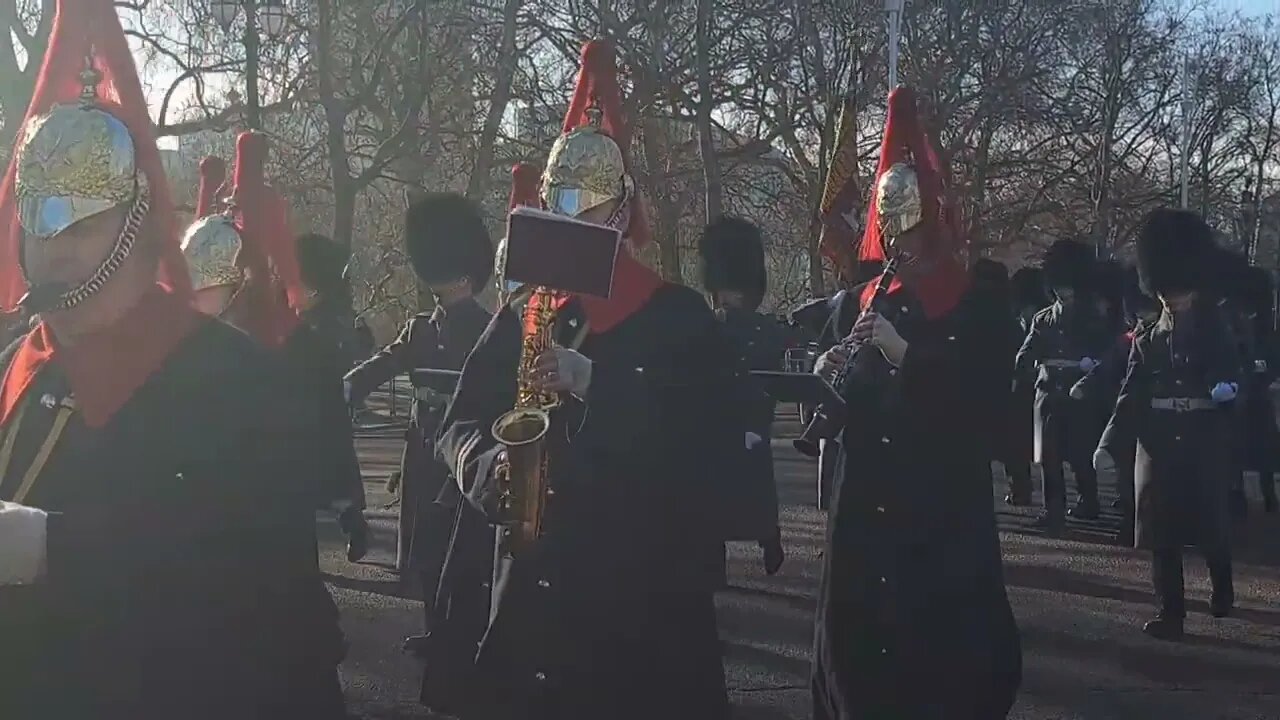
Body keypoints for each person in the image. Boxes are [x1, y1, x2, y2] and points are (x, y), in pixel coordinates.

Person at [0, 1, 346, 716]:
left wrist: (49, 550)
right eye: (39, 217)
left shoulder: (237, 382)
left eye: (81, 218)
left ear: (135, 221)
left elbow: (270, 612)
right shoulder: (15, 359)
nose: (52, 246)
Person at [433, 39, 738, 720]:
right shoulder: (523, 310)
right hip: (527, 610)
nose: (573, 223)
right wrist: (487, 467)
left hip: (640, 625)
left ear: (622, 213)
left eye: (590, 209)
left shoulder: (678, 317)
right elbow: (455, 425)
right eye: (562, 208)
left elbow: (712, 451)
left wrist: (599, 384)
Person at [809, 86, 1021, 720]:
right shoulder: (859, 299)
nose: (903, 245)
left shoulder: (978, 303)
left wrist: (906, 353)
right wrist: (826, 372)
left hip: (938, 511)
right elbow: (837, 391)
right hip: (863, 508)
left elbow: (987, 405)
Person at [181, 133, 370, 562]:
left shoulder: (295, 345)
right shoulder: (183, 343)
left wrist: (346, 504)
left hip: (273, 511)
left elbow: (329, 429)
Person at [343, 192, 493, 645]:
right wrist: (343, 387)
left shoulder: (489, 329)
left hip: (464, 450)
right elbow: (382, 365)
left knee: (458, 545)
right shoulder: (421, 327)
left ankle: (461, 632)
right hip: (423, 451)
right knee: (425, 545)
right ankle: (435, 628)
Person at [1094, 209, 1239, 640]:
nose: (1171, 299)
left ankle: (1222, 586)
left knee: (1210, 526)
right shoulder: (1148, 337)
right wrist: (1109, 441)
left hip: (1201, 437)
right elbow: (1131, 392)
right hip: (1157, 440)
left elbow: (1233, 372)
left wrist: (1225, 389)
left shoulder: (1217, 330)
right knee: (1160, 530)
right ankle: (1170, 611)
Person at [698, 215, 788, 578]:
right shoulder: (761, 329)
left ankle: (719, 553)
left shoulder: (713, 326)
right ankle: (767, 538)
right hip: (745, 418)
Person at [1014, 239, 1112, 532]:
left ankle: (1089, 500)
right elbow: (1026, 352)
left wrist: (1090, 364)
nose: (1063, 292)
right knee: (1049, 456)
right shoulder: (1043, 318)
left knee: (1081, 453)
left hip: (1078, 391)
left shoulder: (1093, 317)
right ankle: (1052, 510)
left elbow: (1107, 352)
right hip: (1047, 391)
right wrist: (1025, 365)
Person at [1005, 266, 1048, 505]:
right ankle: (1021, 487)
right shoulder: (1020, 318)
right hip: (1025, 385)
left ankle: (1022, 488)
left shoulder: (1038, 319)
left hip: (1035, 384)